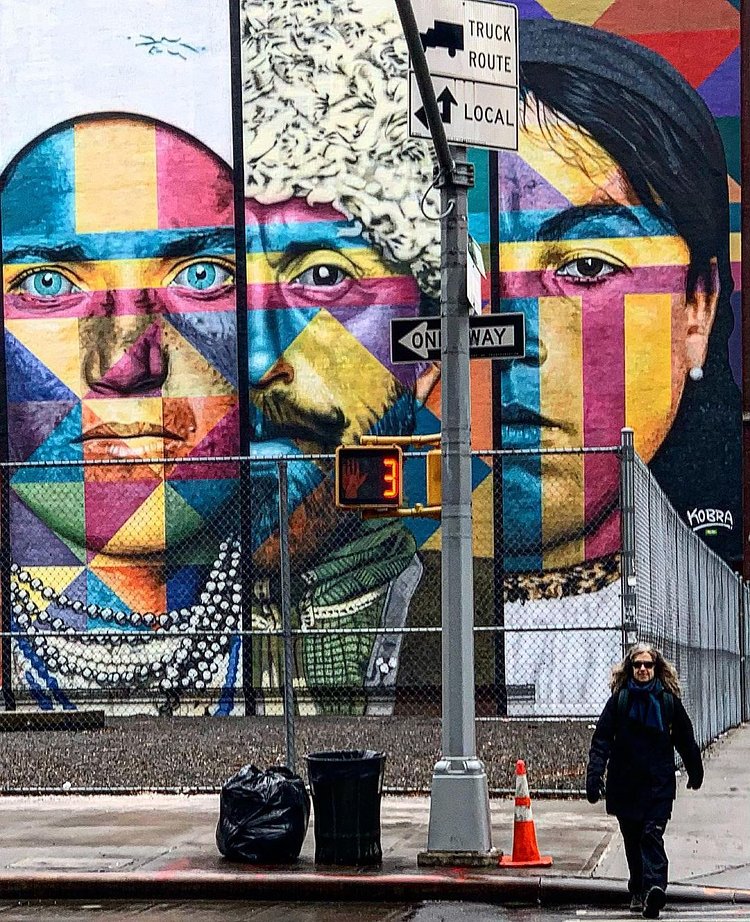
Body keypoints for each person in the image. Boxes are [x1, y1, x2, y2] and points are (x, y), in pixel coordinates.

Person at [586, 643, 703, 918]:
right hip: (625, 785)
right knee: (632, 839)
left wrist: (694, 770)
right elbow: (602, 739)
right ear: (630, 669)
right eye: (637, 665)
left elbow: (685, 739)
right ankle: (638, 888)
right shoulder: (620, 700)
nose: (642, 669)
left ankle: (654, 889)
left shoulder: (666, 701)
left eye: (647, 665)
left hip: (658, 785)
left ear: (656, 668)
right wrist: (594, 776)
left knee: (651, 835)